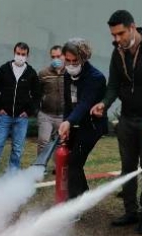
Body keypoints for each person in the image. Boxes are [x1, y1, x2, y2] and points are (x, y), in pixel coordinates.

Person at [91, 10, 142, 234]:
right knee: (127, 168)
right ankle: (130, 211)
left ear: (133, 27)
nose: (116, 39)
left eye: (120, 33)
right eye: (113, 35)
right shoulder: (118, 53)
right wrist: (104, 104)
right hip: (127, 119)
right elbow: (113, 86)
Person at [0, 42, 41, 184]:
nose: (20, 56)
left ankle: (12, 175)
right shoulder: (5, 69)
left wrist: (28, 111)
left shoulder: (31, 73)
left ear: (27, 55)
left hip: (21, 119)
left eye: (23, 54)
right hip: (4, 116)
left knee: (17, 148)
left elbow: (37, 95)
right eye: (18, 53)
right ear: (14, 53)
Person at [58, 38, 108, 199]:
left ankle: (74, 204)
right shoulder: (66, 75)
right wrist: (65, 124)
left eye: (75, 61)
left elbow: (85, 104)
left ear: (84, 59)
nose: (71, 65)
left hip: (91, 126)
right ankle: (83, 196)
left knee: (74, 162)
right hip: (74, 123)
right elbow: (68, 103)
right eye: (68, 60)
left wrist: (69, 122)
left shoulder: (95, 78)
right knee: (71, 163)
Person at [37, 45, 65, 156]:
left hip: (63, 115)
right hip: (46, 114)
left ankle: (57, 168)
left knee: (60, 142)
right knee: (43, 141)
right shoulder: (43, 74)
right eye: (53, 57)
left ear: (64, 56)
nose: (56, 59)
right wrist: (36, 109)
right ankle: (40, 168)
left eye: (58, 56)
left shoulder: (69, 73)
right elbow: (37, 93)